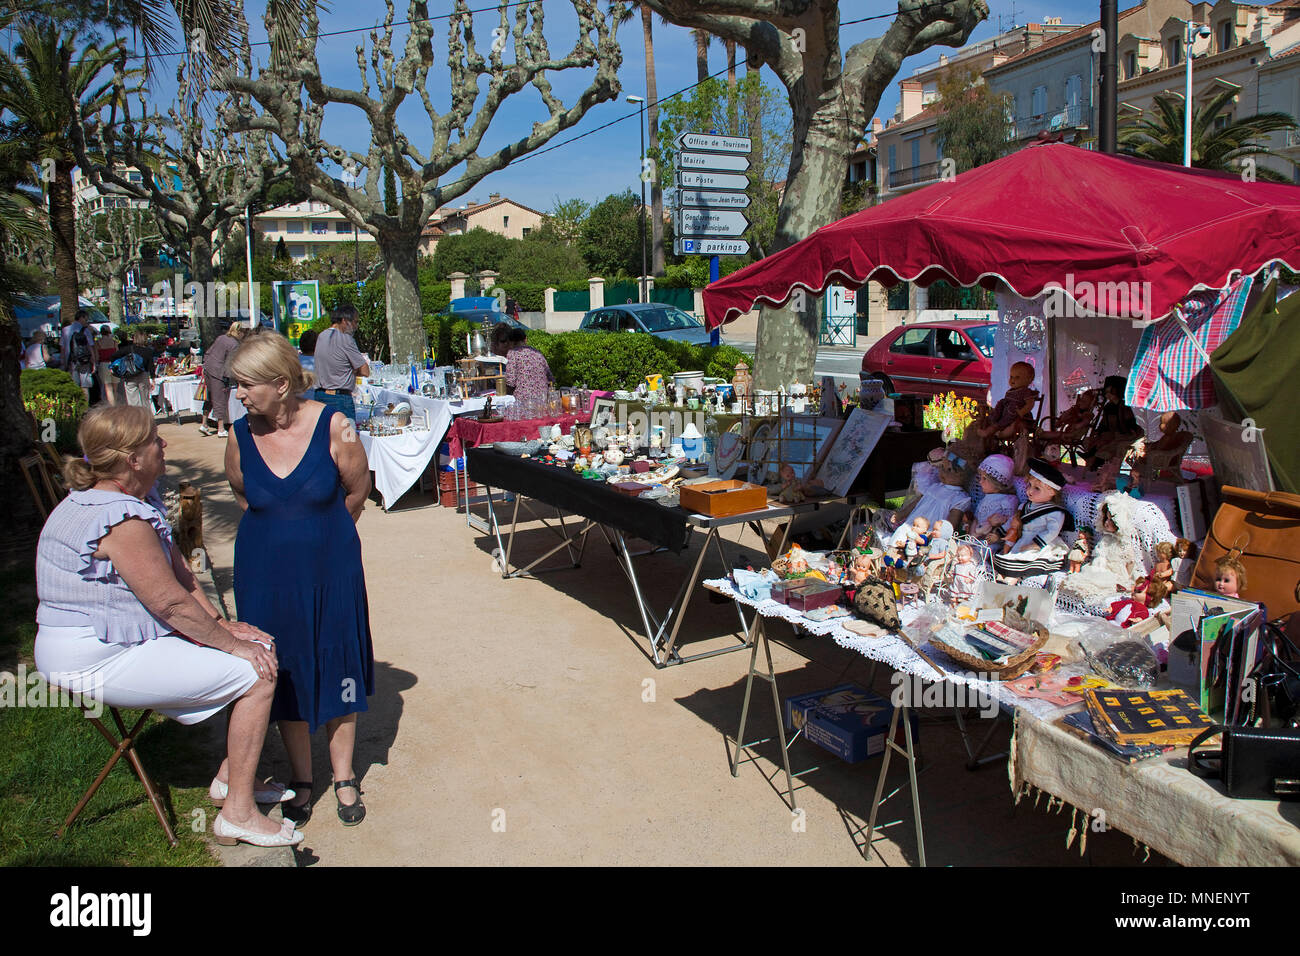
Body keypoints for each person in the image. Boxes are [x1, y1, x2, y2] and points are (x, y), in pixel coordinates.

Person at [34, 405, 302, 847]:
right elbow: (168, 603)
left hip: (107, 642)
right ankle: (237, 814)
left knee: (257, 649)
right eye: (153, 440)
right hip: (91, 654)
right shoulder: (122, 518)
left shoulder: (132, 499)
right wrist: (234, 647)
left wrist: (224, 625)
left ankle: (231, 781)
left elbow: (181, 575)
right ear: (131, 459)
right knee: (256, 673)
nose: (163, 445)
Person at [225, 334, 374, 827]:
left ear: (281, 383)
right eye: (236, 385)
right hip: (265, 577)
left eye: (246, 385)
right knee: (281, 669)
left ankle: (345, 774)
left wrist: (320, 535)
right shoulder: (238, 433)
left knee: (338, 664)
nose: (239, 395)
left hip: (331, 571)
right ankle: (303, 778)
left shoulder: (336, 425)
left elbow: (358, 489)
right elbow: (245, 495)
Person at [313, 305, 370, 421]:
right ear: (344, 321)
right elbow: (365, 371)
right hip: (340, 399)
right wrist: (353, 371)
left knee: (327, 437)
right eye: (355, 322)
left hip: (320, 396)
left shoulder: (322, 336)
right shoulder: (346, 339)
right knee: (346, 437)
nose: (356, 326)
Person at [490, 324, 553, 413]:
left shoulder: (513, 353)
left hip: (524, 403)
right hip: (542, 401)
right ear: (525, 339)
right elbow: (550, 378)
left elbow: (510, 381)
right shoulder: (537, 353)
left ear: (511, 342)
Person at [198, 322, 246, 437]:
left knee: (209, 398)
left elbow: (209, 352)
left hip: (208, 369)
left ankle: (204, 424)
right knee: (220, 399)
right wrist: (234, 379)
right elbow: (230, 364)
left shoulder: (221, 338)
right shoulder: (234, 344)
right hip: (219, 373)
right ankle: (221, 428)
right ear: (240, 332)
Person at [112, 330, 156, 411]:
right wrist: (153, 379)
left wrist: (117, 367)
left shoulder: (128, 349)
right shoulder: (148, 351)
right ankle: (146, 419)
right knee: (145, 400)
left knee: (133, 401)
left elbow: (114, 356)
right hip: (143, 375)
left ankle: (136, 420)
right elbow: (151, 366)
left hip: (130, 375)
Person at [60, 309, 97, 402]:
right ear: (81, 318)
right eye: (86, 319)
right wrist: (94, 362)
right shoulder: (85, 331)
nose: (86, 322)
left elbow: (62, 349)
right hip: (84, 361)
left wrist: (63, 363)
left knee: (74, 385)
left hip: (71, 361)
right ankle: (85, 408)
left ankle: (76, 407)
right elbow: (90, 347)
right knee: (85, 386)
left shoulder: (65, 330)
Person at [95, 325, 119, 406]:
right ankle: (115, 404)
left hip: (104, 364)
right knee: (115, 388)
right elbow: (117, 354)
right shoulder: (114, 342)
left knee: (108, 388)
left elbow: (97, 356)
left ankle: (112, 407)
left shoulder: (98, 342)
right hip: (114, 364)